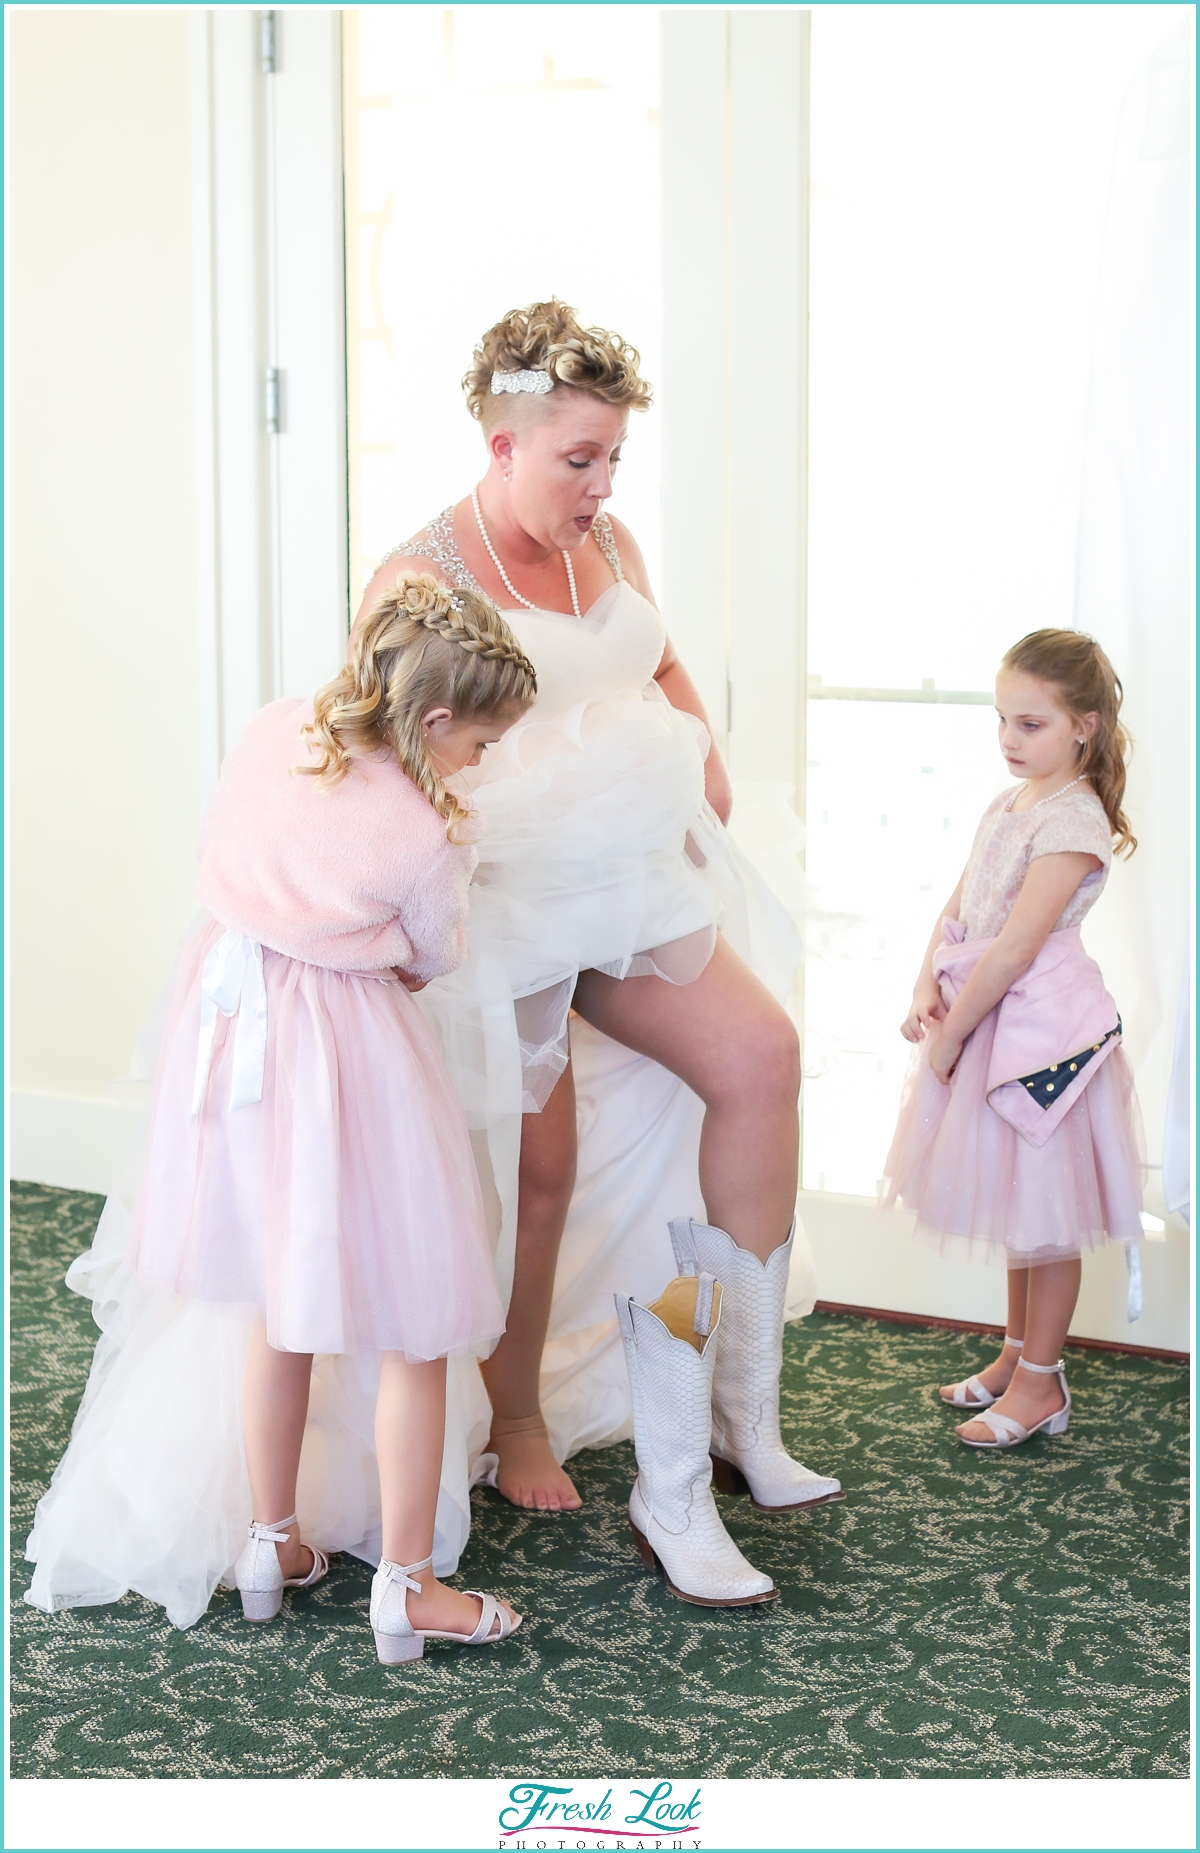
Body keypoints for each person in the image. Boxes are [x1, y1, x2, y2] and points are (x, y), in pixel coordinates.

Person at [358, 301, 841, 1606]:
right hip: (503, 908)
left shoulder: (608, 538)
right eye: (578, 457)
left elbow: (660, 660)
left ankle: (730, 1415)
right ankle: (514, 1411)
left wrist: (707, 770)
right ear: (503, 441)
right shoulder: (420, 576)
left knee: (764, 1057)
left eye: (615, 455)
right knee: (544, 1162)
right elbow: (386, 769)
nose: (604, 483)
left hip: (627, 889)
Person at [26, 575, 534, 1660]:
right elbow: (429, 957)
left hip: (227, 1034)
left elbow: (227, 861)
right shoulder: (423, 834)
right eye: (484, 743)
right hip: (347, 1057)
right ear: (436, 721)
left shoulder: (272, 733)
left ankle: (271, 1539)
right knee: (415, 1318)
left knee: (274, 1292)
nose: (482, 764)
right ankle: (410, 1583)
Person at [882, 629, 1143, 1450]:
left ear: (1084, 727)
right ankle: (1015, 1353)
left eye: (1030, 724)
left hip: (1043, 1036)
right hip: (994, 1015)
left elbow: (1018, 946)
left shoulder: (1074, 820)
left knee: (1047, 1212)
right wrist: (927, 978)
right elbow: (963, 906)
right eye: (1002, 720)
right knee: (1017, 1205)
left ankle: (1042, 1382)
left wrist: (950, 1037)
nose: (1008, 739)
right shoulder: (1010, 802)